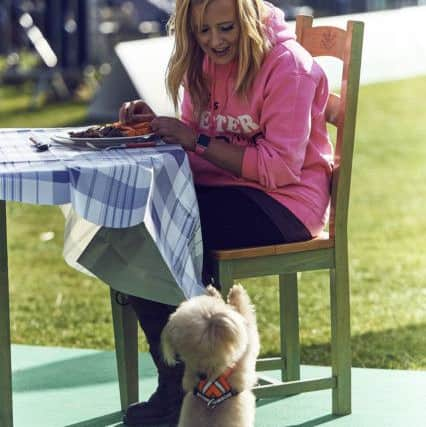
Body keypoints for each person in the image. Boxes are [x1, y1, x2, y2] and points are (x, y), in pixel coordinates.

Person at [116, 0, 333, 425]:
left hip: (286, 205)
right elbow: (197, 145)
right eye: (202, 31)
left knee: (159, 234)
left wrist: (192, 139)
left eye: (226, 28)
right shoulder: (202, 63)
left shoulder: (288, 65)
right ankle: (182, 381)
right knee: (136, 227)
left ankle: (187, 387)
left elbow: (281, 168)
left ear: (249, 21)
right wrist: (156, 127)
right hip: (225, 191)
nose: (214, 41)